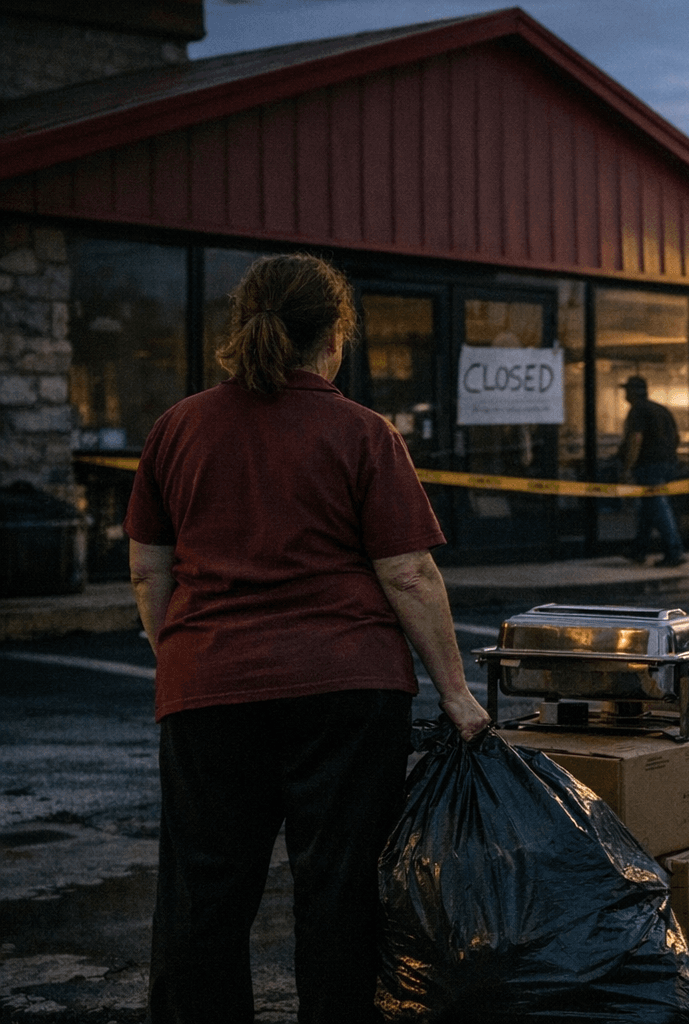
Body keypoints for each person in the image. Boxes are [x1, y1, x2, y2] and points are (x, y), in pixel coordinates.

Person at [124, 253, 491, 1023]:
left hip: (208, 691)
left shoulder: (177, 428)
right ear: (334, 337)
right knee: (340, 892)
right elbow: (409, 574)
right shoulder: (362, 432)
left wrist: (182, 659)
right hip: (347, 694)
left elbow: (146, 571)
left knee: (203, 897)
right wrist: (456, 693)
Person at [621, 374, 686, 567]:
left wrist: (627, 466)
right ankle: (638, 549)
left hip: (649, 465)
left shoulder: (637, 410)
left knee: (657, 505)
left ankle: (674, 550)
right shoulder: (661, 409)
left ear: (633, 392)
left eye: (627, 390)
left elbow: (636, 440)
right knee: (648, 507)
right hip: (668, 463)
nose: (625, 394)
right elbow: (676, 437)